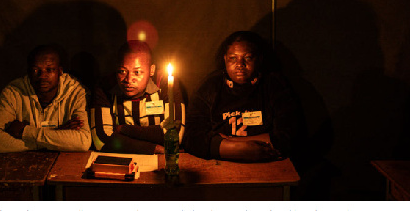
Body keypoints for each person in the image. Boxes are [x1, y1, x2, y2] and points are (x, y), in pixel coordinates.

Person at [183, 31, 299, 162]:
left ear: (259, 59)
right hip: (221, 163)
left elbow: (290, 135)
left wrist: (234, 141)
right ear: (225, 59)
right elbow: (191, 137)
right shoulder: (211, 86)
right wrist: (233, 149)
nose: (240, 64)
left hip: (268, 162)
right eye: (233, 58)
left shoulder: (273, 84)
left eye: (248, 58)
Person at [0, 44, 91, 153]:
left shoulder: (76, 92)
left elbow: (83, 141)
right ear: (28, 72)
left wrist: (25, 132)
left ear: (60, 71)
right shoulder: (13, 92)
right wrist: (56, 137)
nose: (42, 76)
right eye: (35, 70)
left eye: (49, 70)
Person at [91, 40, 185, 155]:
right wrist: (154, 148)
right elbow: (101, 140)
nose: (129, 79)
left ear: (151, 70)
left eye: (137, 72)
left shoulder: (165, 83)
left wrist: (123, 130)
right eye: (122, 71)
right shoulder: (105, 87)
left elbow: (175, 134)